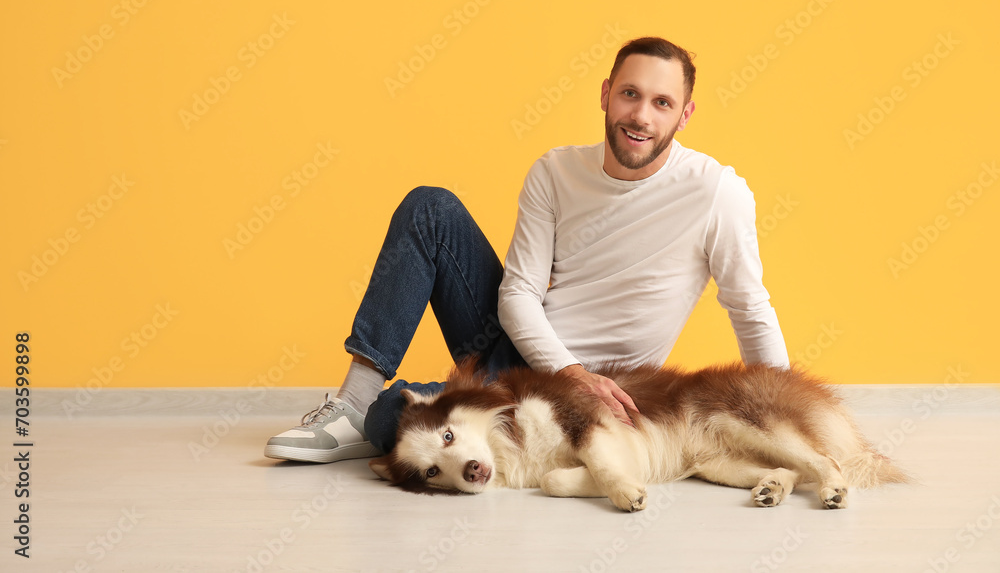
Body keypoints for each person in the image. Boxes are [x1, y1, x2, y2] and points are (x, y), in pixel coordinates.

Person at [264, 36, 789, 463]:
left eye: (662, 103)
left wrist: (788, 416)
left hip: (596, 393)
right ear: (606, 93)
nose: (642, 117)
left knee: (393, 417)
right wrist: (566, 369)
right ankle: (350, 408)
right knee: (430, 209)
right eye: (630, 94)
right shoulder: (556, 172)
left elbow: (749, 307)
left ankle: (403, 415)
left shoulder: (715, 192)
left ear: (685, 114)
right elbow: (517, 294)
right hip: (521, 352)